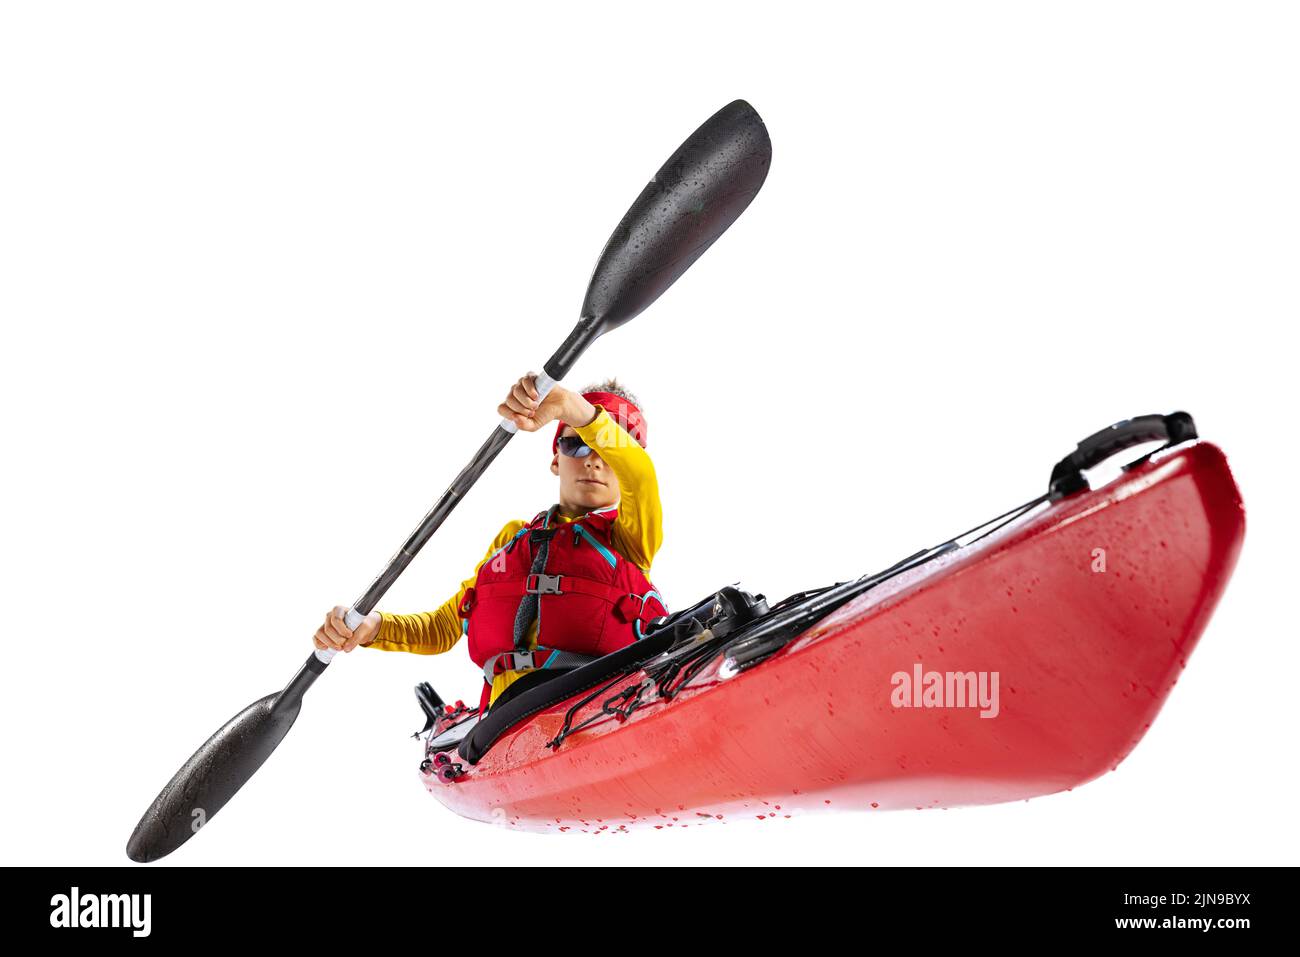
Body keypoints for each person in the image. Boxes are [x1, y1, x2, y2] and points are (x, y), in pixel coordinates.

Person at [312, 373, 667, 712]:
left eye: (607, 448)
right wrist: (372, 627)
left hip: (598, 704)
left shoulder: (630, 537)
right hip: (509, 718)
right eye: (577, 444)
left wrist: (571, 407)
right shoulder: (512, 539)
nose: (592, 460)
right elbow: (443, 628)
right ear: (556, 458)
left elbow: (641, 474)